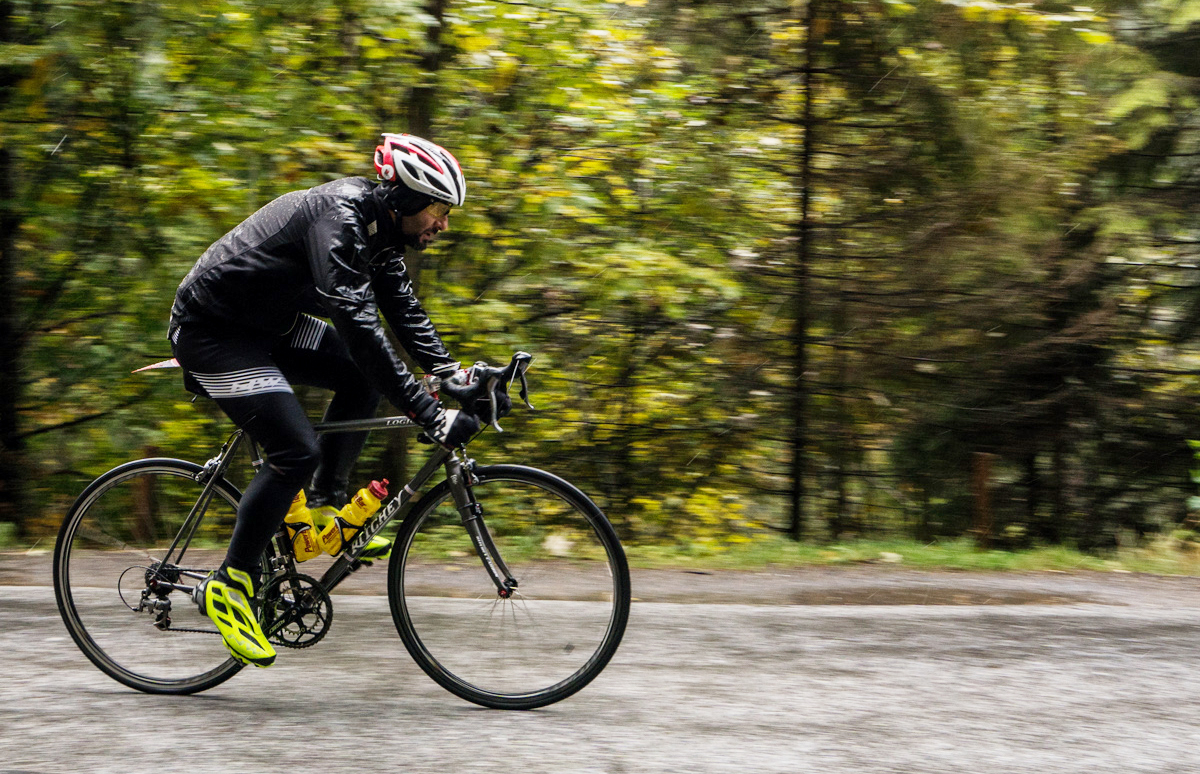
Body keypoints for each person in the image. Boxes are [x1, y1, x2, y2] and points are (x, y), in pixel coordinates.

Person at [168, 133, 481, 668]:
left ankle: (323, 510)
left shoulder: (382, 234)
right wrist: (429, 413)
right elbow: (359, 327)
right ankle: (232, 583)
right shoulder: (338, 217)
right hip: (212, 331)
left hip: (268, 325)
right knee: (295, 449)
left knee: (361, 380)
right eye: (439, 209)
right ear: (407, 198)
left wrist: (453, 376)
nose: (443, 224)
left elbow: (403, 310)